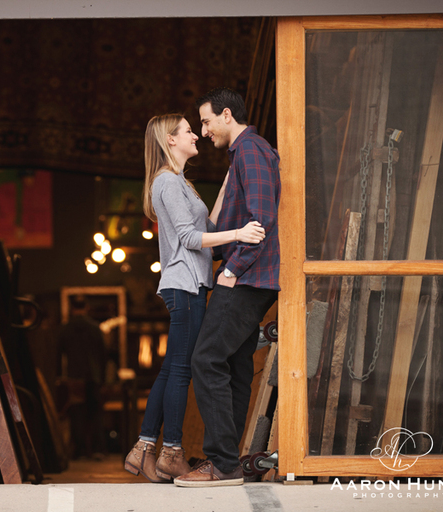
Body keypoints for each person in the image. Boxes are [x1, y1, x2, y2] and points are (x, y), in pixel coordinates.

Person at [124, 113, 265, 483]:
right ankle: (170, 451)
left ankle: (144, 449)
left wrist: (228, 185)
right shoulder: (167, 183)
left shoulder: (181, 183)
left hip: (191, 284)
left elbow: (205, 227)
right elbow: (190, 239)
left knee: (173, 368)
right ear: (170, 140)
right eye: (188, 130)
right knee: (183, 369)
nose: (196, 135)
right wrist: (240, 234)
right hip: (184, 285)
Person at [174, 88, 280, 487]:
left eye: (205, 121)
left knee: (206, 359)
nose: (203, 131)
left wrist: (232, 269)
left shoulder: (251, 150)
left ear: (227, 115)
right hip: (253, 276)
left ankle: (222, 463)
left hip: (248, 277)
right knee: (234, 365)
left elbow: (263, 216)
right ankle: (228, 463)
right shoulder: (242, 156)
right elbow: (230, 223)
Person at [58, 295, 106, 459]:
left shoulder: (66, 328)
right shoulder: (94, 328)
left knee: (77, 413)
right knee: (95, 413)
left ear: (72, 309)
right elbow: (102, 355)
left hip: (75, 376)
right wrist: (103, 378)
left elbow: (59, 355)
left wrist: (60, 376)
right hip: (93, 376)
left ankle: (78, 450)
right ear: (86, 308)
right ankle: (97, 449)